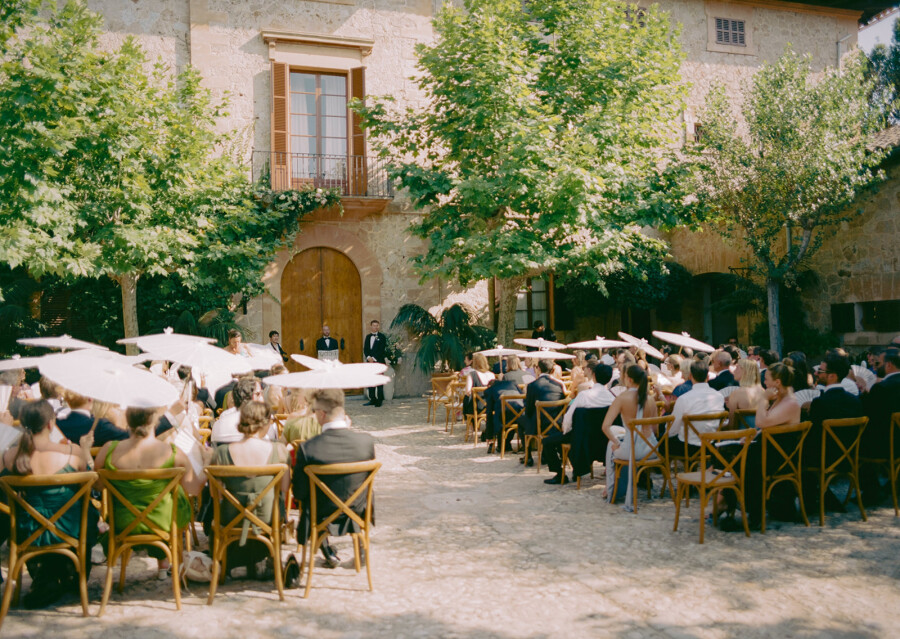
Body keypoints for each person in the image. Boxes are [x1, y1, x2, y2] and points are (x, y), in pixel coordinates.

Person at [1, 401, 97, 608]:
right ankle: (68, 575)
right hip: (69, 530)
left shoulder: (10, 457)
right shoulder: (72, 453)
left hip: (28, 532)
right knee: (87, 511)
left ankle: (48, 577)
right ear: (51, 424)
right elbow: (88, 483)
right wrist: (87, 450)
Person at [94, 406, 209, 578]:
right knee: (175, 501)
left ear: (128, 421)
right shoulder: (172, 452)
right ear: (155, 421)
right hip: (163, 523)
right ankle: (166, 563)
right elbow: (194, 488)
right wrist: (206, 463)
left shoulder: (109, 449)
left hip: (122, 523)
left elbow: (98, 486)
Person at [293, 388, 376, 568]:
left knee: (309, 499)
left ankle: (325, 548)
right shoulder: (365, 443)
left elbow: (298, 493)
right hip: (357, 511)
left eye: (314, 411)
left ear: (322, 414)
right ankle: (361, 544)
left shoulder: (308, 448)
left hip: (321, 514)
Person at [211, 401, 290, 577]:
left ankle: (233, 563)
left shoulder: (221, 453)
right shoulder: (280, 450)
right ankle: (262, 561)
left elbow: (214, 493)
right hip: (267, 516)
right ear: (266, 423)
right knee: (277, 501)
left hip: (231, 516)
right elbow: (284, 487)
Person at [601, 365, 659, 506]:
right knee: (619, 437)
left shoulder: (622, 398)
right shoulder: (650, 399)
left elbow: (605, 427)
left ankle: (612, 490)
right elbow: (656, 430)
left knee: (612, 445)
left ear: (629, 379)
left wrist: (617, 443)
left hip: (633, 451)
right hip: (652, 450)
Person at [666, 360, 725, 462]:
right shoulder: (719, 396)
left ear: (690, 376)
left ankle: (662, 473)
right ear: (707, 377)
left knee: (663, 440)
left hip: (688, 448)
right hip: (711, 446)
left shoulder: (684, 399)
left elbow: (672, 429)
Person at [861, 347, 900, 502]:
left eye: (879, 363)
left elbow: (868, 415)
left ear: (889, 365)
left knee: (855, 444)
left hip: (887, 445)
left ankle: (872, 491)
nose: (876, 367)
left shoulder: (881, 388)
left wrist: (865, 394)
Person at [519, 359, 566, 468]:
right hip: (557, 424)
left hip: (540, 425)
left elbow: (529, 409)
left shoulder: (532, 385)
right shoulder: (559, 384)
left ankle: (528, 455)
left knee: (521, 421)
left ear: (538, 369)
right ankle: (545, 454)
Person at [212, 376, 276, 444]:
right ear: (255, 396)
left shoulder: (220, 421)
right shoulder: (261, 421)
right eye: (260, 393)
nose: (262, 398)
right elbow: (270, 442)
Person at [56, 389, 129, 446]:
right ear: (90, 399)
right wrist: (120, 422)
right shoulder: (99, 425)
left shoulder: (56, 423)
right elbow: (129, 439)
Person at [726, 358, 767, 429]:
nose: (734, 371)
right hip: (761, 436)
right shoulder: (764, 392)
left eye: (737, 367)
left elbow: (731, 426)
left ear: (744, 371)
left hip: (742, 437)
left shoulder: (736, 394)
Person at [363, 320, 387, 407]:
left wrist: (373, 358)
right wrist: (368, 357)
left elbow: (381, 349)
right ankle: (372, 399)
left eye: (377, 325)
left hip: (379, 362)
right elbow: (365, 348)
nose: (376, 327)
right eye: (374, 325)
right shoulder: (368, 337)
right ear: (371, 326)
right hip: (369, 363)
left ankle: (379, 400)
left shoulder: (382, 337)